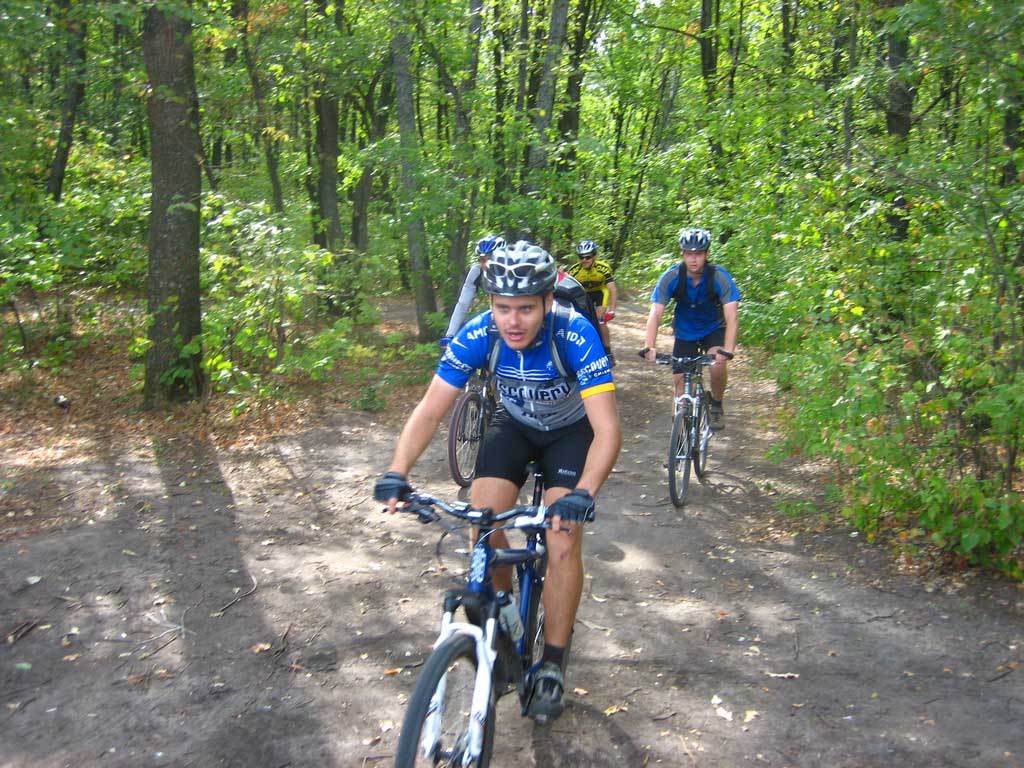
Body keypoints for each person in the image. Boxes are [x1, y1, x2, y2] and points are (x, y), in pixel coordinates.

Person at [374, 240, 621, 722]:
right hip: (515, 425)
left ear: (547, 301)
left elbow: (608, 429)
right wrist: (396, 472)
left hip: (571, 433)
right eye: (503, 308)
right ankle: (504, 611)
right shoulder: (479, 333)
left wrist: (584, 493)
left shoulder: (574, 334)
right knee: (482, 522)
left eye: (525, 308)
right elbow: (430, 410)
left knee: (562, 539)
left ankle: (552, 664)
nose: (513, 321)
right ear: (490, 303)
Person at [641, 228, 740, 430]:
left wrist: (728, 350)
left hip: (713, 329)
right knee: (679, 384)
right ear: (683, 254)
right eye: (689, 254)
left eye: (699, 254)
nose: (693, 259)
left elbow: (732, 316)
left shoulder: (720, 277)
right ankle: (681, 438)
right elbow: (656, 313)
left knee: (717, 366)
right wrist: (649, 346)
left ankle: (716, 404)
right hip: (685, 332)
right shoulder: (671, 277)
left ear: (707, 254)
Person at [439, 234, 506, 347]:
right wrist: (450, 334)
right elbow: (463, 304)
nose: (485, 264)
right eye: (482, 260)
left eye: (490, 259)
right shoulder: (477, 271)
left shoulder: (513, 273)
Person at [564, 240, 618, 361]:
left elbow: (612, 289)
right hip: (583, 294)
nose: (584, 260)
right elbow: (567, 290)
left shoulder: (603, 268)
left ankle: (608, 352)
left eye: (587, 257)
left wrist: (612, 310)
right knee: (580, 320)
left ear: (594, 256)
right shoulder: (574, 270)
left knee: (600, 320)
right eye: (581, 257)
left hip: (600, 292)